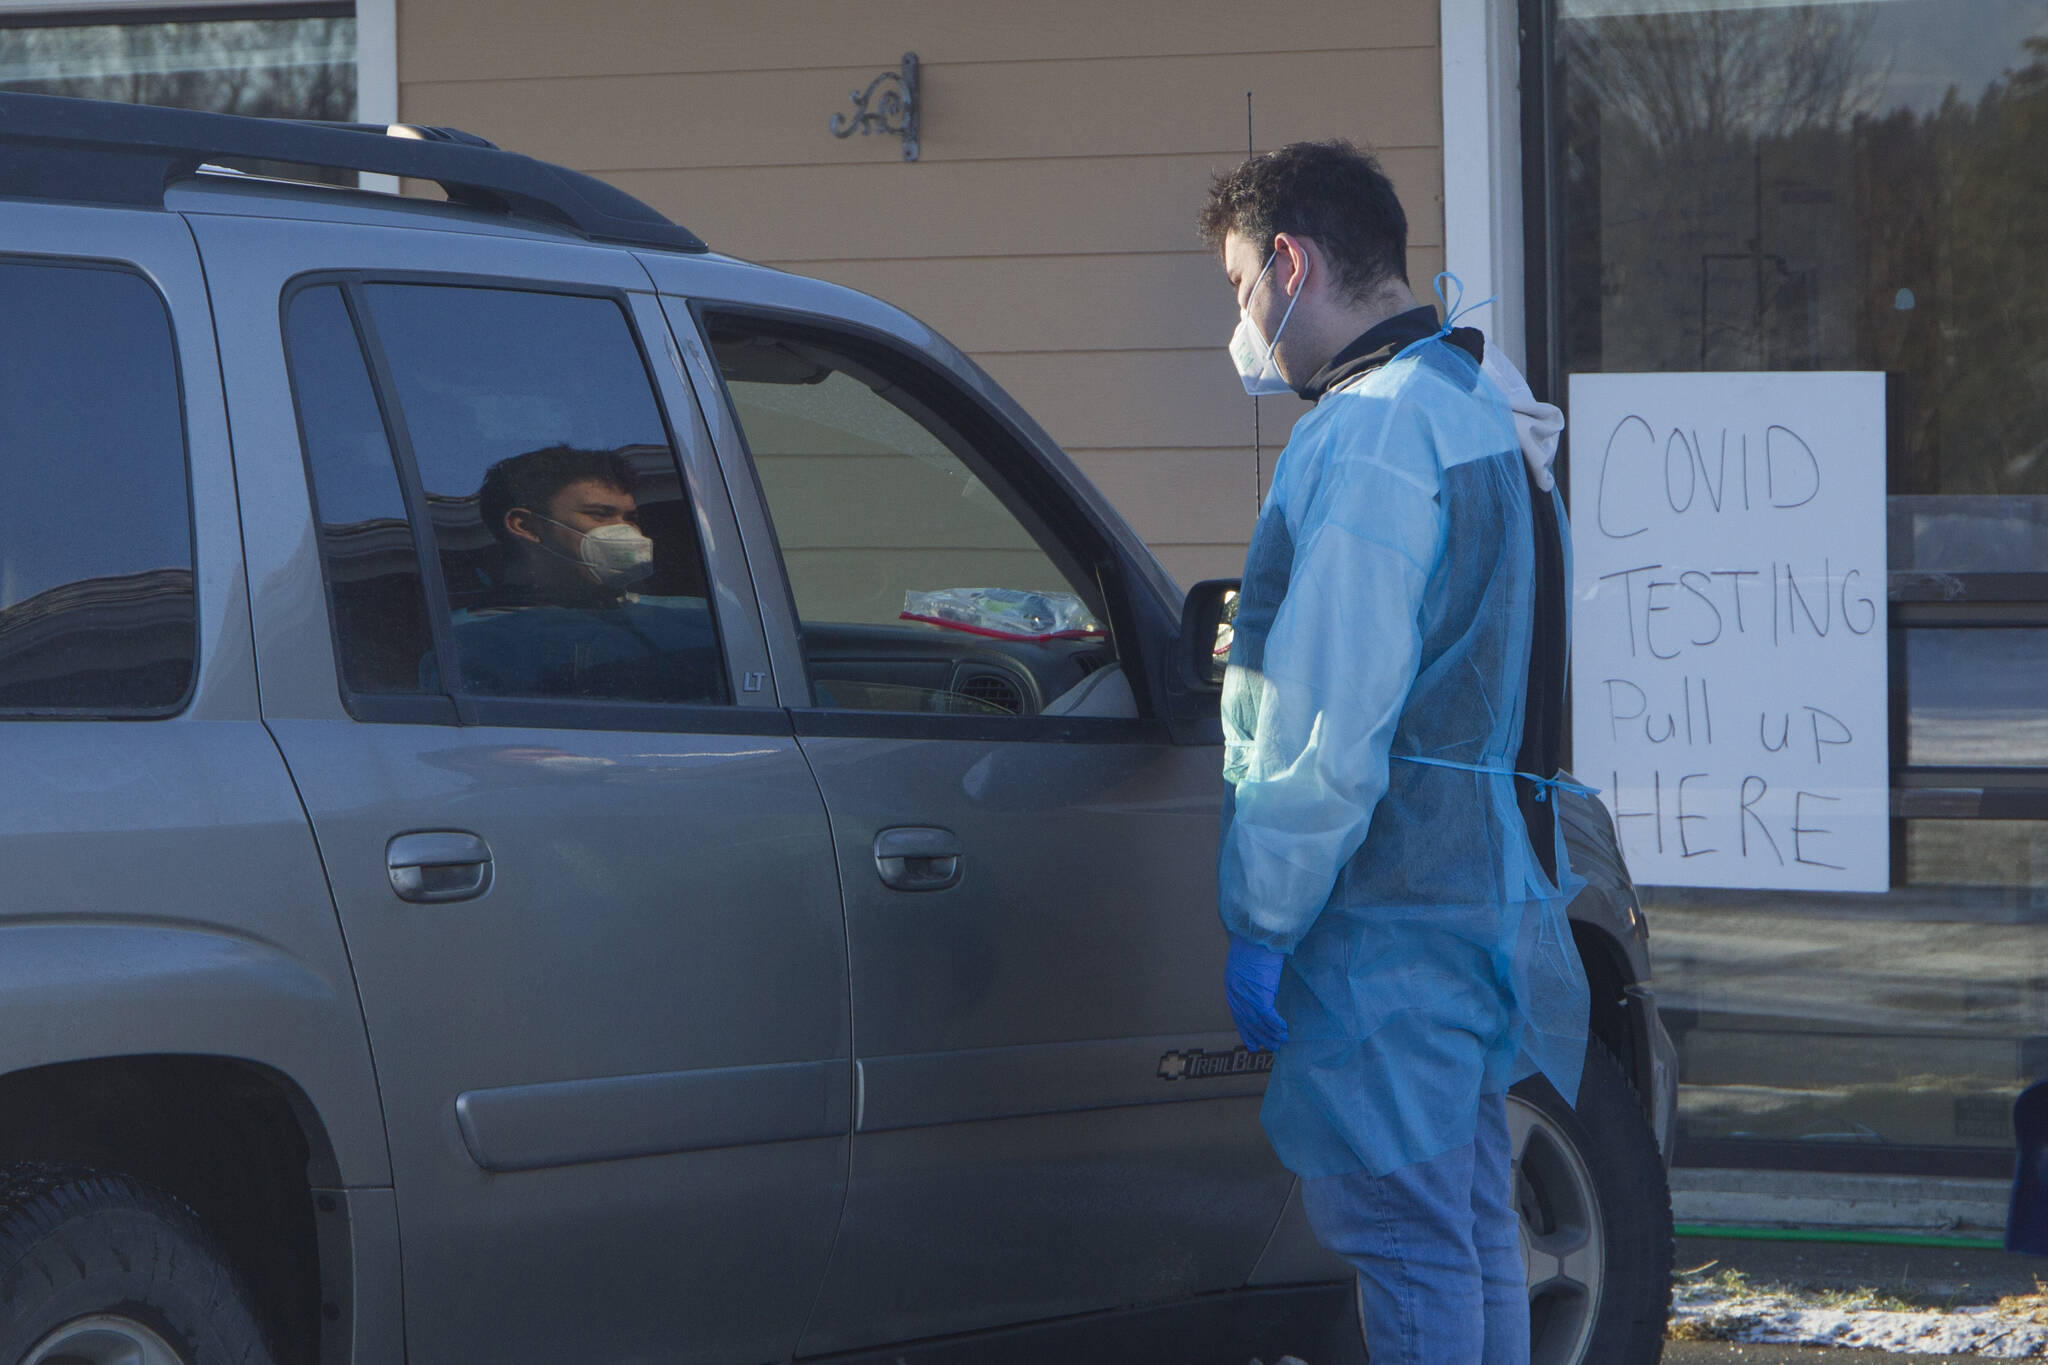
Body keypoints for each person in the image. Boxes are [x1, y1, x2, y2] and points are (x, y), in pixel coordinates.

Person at [1197, 140, 1590, 1365]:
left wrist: (1263, 913)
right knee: (1467, 1228)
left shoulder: (1367, 438)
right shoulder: (1471, 403)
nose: (1243, 321)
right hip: (1468, 905)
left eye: (1236, 288)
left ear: (1290, 262)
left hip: (1383, 923)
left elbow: (1326, 725)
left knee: (1411, 1241)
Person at [435, 445, 720, 702]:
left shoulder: (704, 622)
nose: (628, 533)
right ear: (526, 526)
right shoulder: (464, 644)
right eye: (599, 515)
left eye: (630, 518)